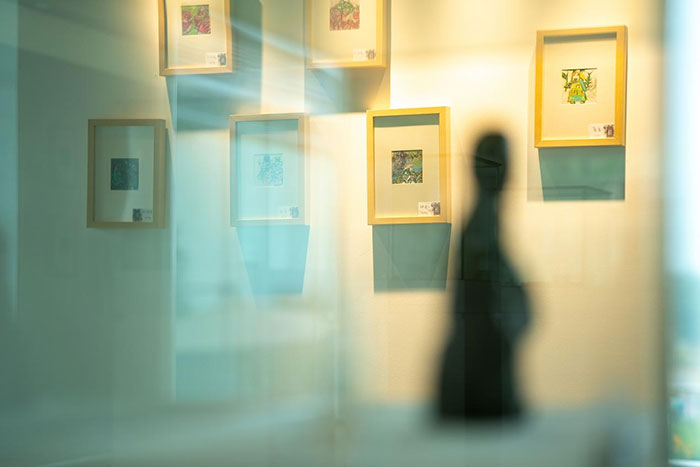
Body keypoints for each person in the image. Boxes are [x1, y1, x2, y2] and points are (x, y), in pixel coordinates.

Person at [436, 133, 530, 419]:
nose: (507, 173)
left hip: (479, 372)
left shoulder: (486, 222)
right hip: (476, 379)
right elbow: (477, 310)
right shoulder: (480, 226)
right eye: (498, 162)